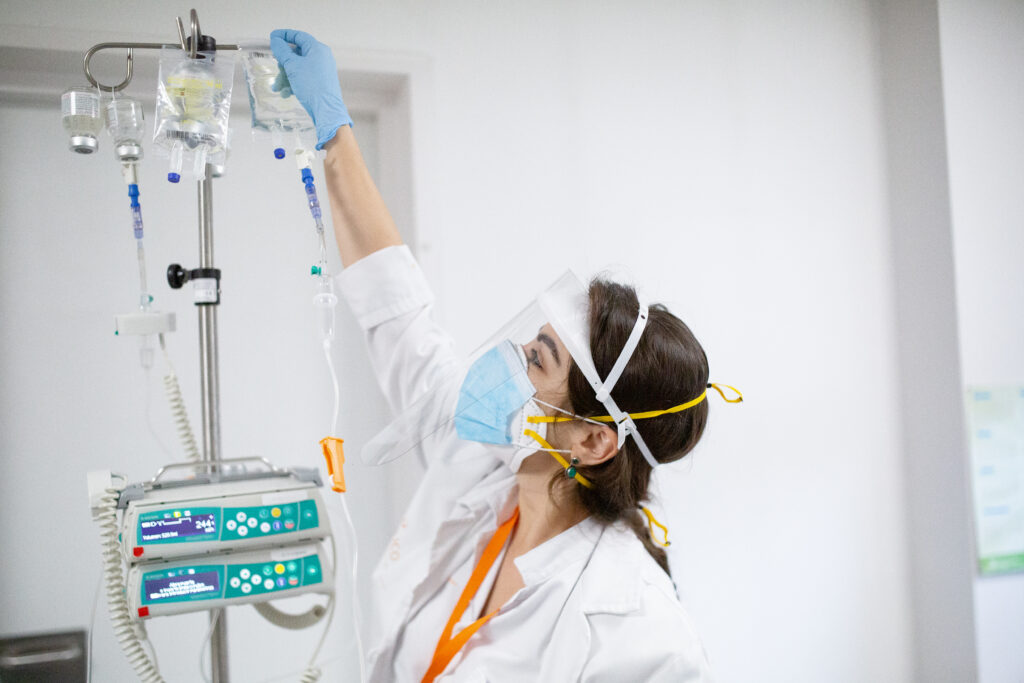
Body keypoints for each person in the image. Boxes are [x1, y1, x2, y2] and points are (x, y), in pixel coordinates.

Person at [271, 29, 738, 682]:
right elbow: (401, 318)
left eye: (538, 359)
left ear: (593, 440)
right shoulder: (485, 469)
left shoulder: (637, 633)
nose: (506, 360)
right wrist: (334, 131)